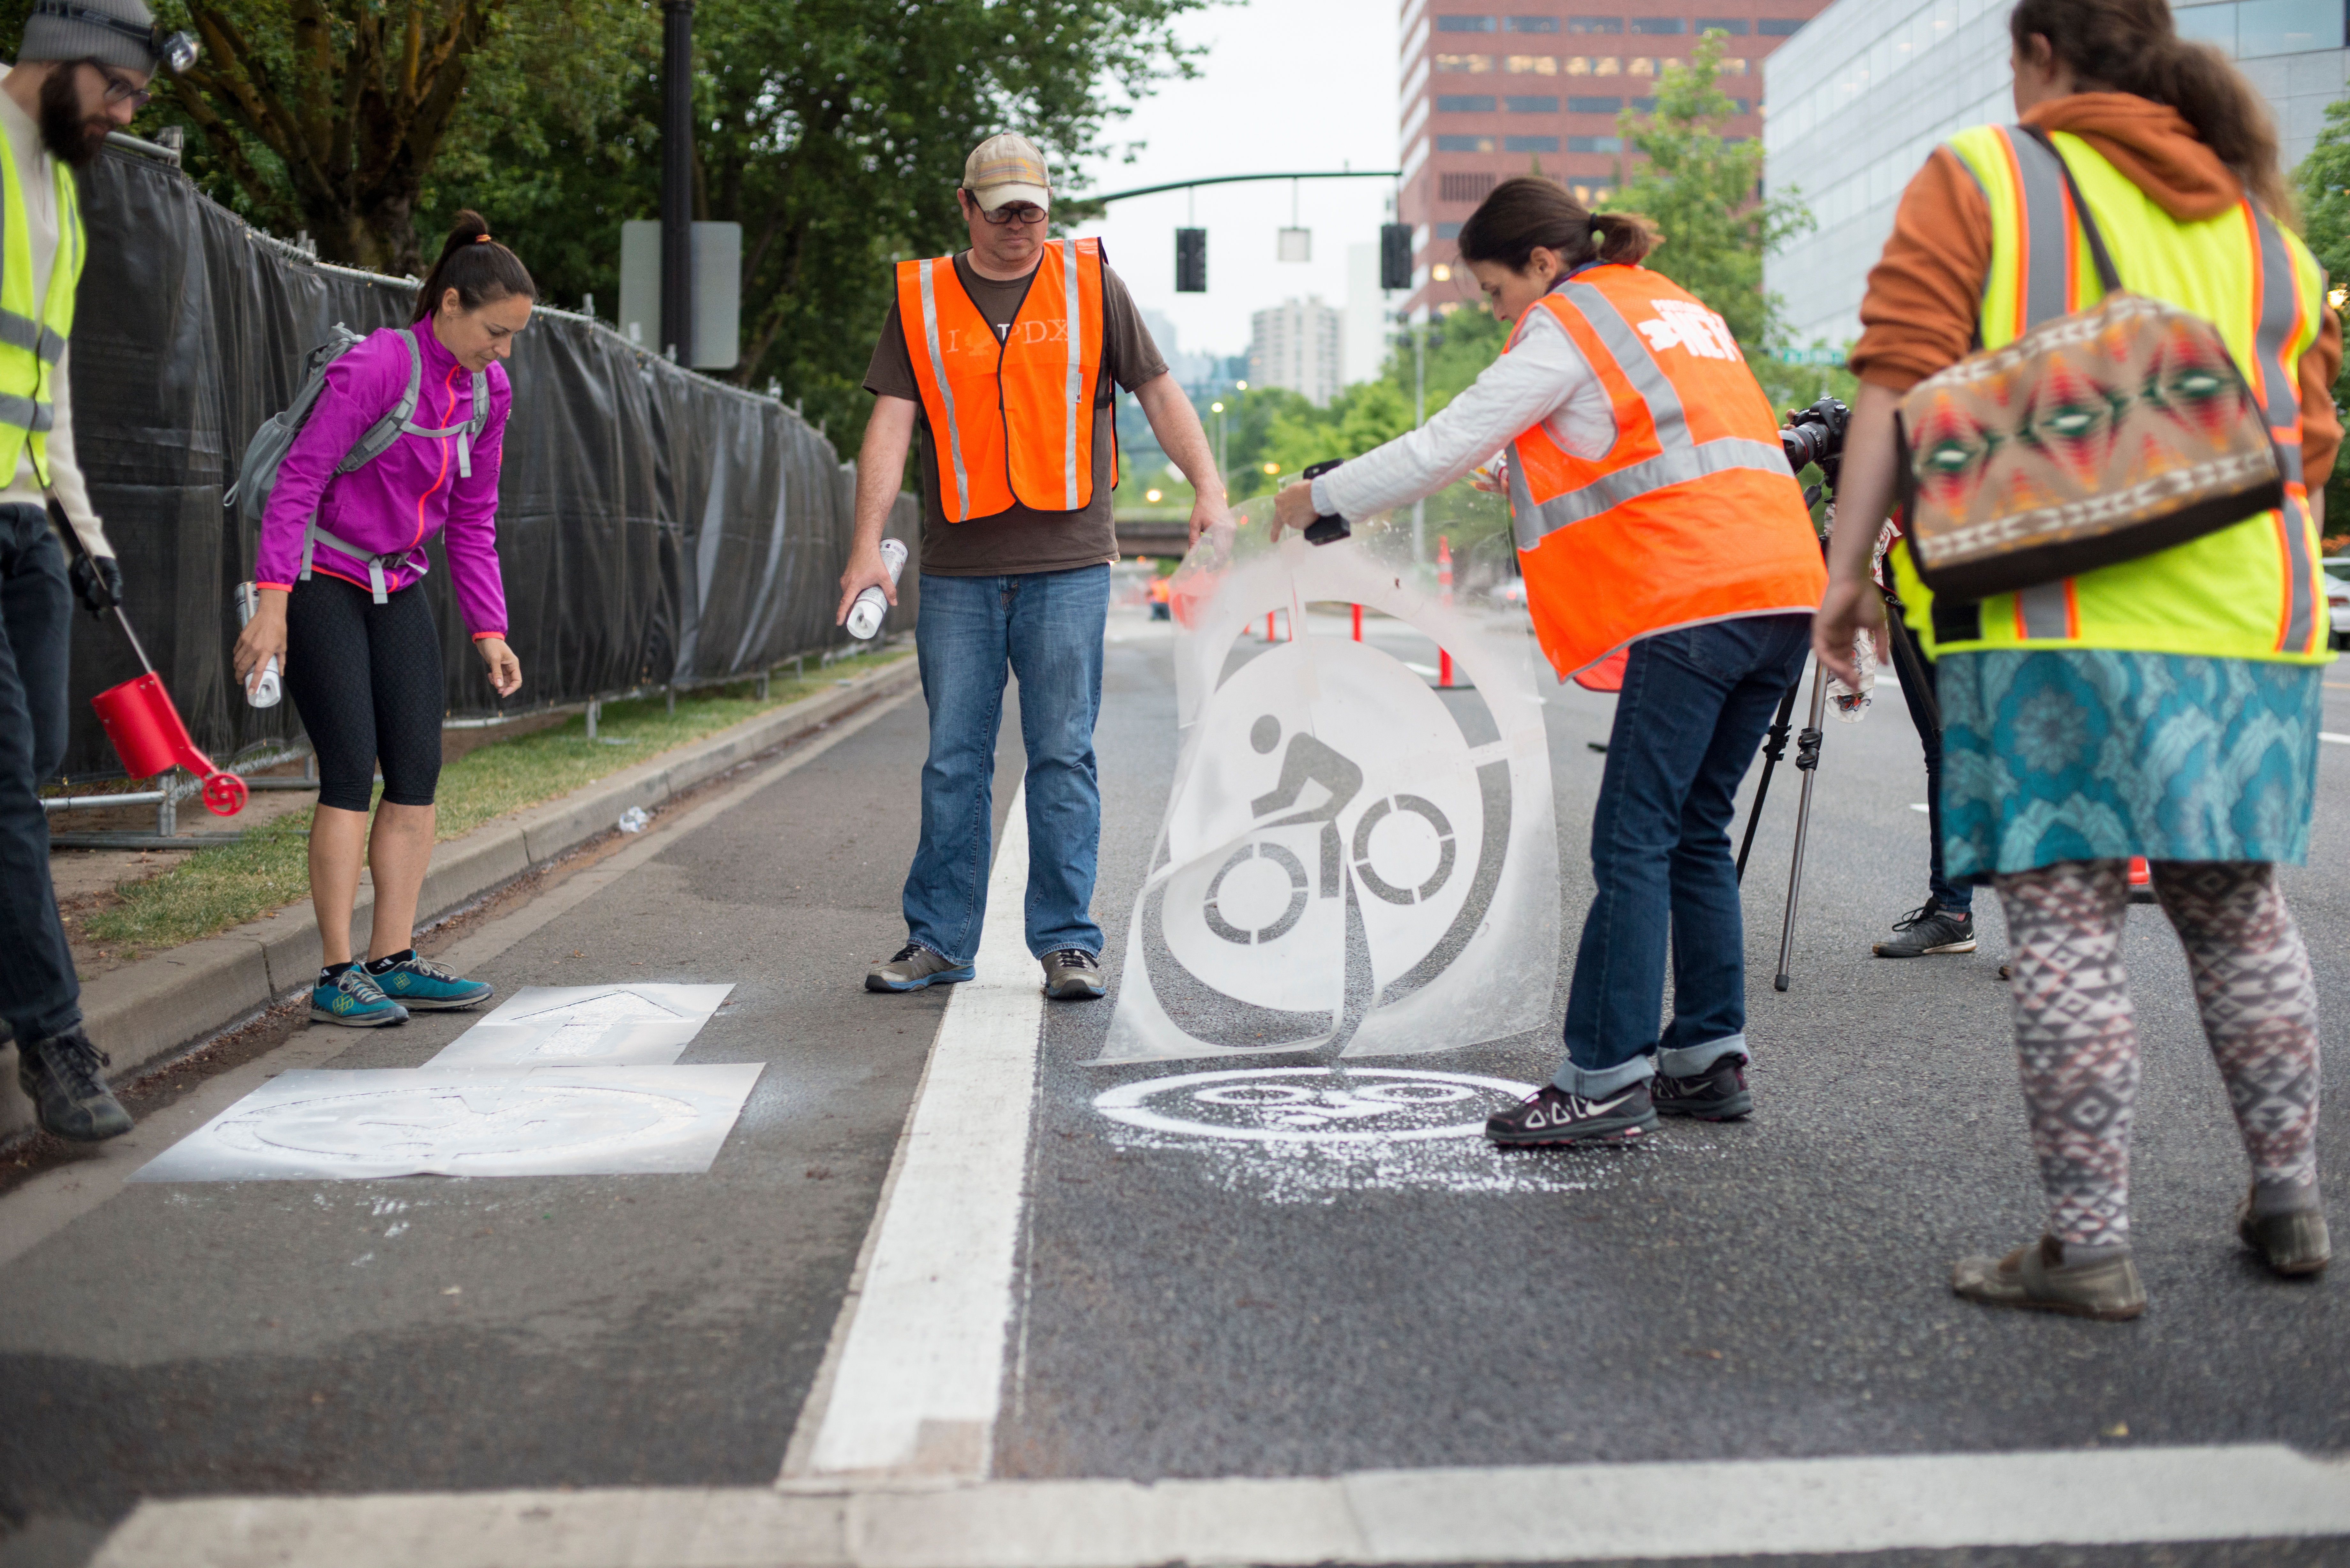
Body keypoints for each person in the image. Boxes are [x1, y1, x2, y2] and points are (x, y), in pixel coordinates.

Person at [1814, 0, 2336, 1318]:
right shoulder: (2266, 231)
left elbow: (1893, 381)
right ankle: (2290, 1200)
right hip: (2251, 621)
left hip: (2053, 611)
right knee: (2238, 910)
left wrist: (1847, 574)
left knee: (2062, 918)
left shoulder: (1985, 178)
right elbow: (2309, 439)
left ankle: (2087, 1245)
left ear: (2038, 55)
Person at [1271, 177, 1828, 1146]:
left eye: (1493, 293)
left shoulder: (1568, 319)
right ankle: (1705, 1057)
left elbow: (1445, 443)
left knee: (1636, 837)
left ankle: (1606, 1079)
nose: (1497, 315)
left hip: (1694, 596)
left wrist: (1319, 503)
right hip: (1783, 589)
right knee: (1694, 827)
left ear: (1540, 262)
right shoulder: (1677, 308)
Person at [839, 133, 1227, 1001]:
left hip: (1069, 562)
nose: (1020, 225)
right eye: (1003, 209)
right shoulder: (925, 297)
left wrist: (1209, 487)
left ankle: (1067, 944)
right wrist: (866, 546)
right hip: (959, 569)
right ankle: (938, 940)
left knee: (1063, 755)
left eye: (1034, 210)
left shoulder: (1090, 284)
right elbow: (891, 425)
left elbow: (1158, 390)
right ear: (965, 207)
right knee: (954, 761)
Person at [233, 213, 532, 1028]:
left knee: (415, 767)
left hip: (396, 585)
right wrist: (272, 603)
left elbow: (474, 517)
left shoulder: (487, 391)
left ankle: (392, 959)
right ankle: (335, 973)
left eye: (513, 339)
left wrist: (489, 628)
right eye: (495, 333)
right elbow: (298, 481)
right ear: (450, 305)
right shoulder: (376, 366)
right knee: (348, 767)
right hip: (319, 575)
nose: (502, 352)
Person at [0, 0, 185, 1142]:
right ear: (64, 63)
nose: (123, 117)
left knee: (45, 760)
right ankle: (55, 1041)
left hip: (26, 522)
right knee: (8, 786)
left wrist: (88, 533)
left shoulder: (64, 190)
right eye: (117, 93)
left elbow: (47, 379)